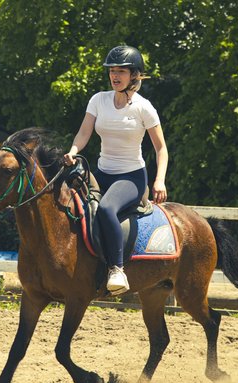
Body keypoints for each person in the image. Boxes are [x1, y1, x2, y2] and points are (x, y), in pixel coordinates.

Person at [63, 45, 169, 295]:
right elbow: (84, 132)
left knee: (107, 208)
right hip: (102, 173)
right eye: (112, 71)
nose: (115, 75)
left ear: (134, 75)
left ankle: (117, 269)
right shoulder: (98, 100)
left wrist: (160, 180)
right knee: (67, 202)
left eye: (121, 71)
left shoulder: (144, 107)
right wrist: (73, 150)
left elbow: (161, 149)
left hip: (131, 177)